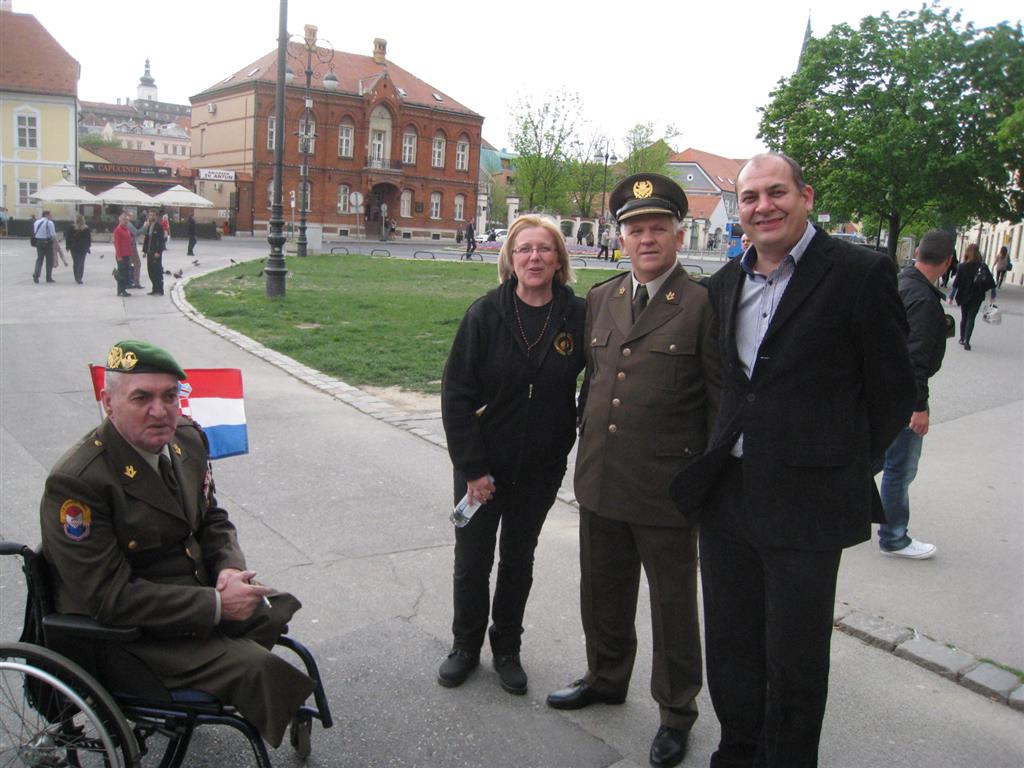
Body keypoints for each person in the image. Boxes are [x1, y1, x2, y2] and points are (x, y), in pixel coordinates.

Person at [674, 152, 914, 768]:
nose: (763, 207)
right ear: (739, 210)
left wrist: (838, 465)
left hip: (808, 501)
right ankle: (737, 750)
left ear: (805, 197)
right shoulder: (724, 283)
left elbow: (893, 392)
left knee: (795, 658)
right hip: (730, 493)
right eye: (750, 197)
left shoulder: (859, 274)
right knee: (731, 640)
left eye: (776, 192)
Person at [40, 340, 316, 748]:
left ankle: (229, 670)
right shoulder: (79, 482)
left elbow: (212, 519)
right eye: (142, 398)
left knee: (270, 607)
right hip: (130, 636)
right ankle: (242, 682)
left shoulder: (185, 440)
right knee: (259, 669)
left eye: (170, 396)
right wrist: (216, 605)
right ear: (109, 402)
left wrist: (228, 569)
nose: (160, 410)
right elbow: (109, 598)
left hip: (187, 598)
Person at [547, 174, 721, 768]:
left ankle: (676, 712)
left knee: (673, 607)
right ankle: (605, 676)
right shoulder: (603, 297)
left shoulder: (702, 304)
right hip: (601, 476)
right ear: (619, 237)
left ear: (678, 234)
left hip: (668, 488)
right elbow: (595, 381)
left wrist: (707, 480)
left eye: (657, 228)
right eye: (635, 229)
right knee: (602, 590)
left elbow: (720, 400)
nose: (646, 239)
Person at [439, 214, 585, 694]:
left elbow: (602, 378)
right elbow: (456, 395)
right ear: (511, 258)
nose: (534, 258)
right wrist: (473, 470)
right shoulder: (485, 314)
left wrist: (569, 430)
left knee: (518, 560)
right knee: (472, 561)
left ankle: (507, 648)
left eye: (545, 249)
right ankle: (464, 646)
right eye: (524, 249)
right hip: (482, 468)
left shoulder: (577, 316)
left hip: (540, 471)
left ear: (559, 258)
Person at [878, 230, 954, 560]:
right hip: (902, 397)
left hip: (881, 390)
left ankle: (827, 513)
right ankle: (894, 537)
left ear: (918, 252)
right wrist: (919, 407)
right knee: (899, 468)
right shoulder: (923, 299)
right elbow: (915, 360)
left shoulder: (901, 283)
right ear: (948, 261)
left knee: (873, 461)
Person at [948, 243, 995, 351]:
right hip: (977, 296)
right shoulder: (982, 266)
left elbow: (956, 283)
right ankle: (967, 340)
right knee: (971, 318)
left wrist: (951, 296)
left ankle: (962, 338)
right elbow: (991, 282)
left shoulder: (962, 267)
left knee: (964, 317)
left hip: (964, 295)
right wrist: (993, 295)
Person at [142, 209, 167, 295]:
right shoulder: (149, 226)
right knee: (151, 271)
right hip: (149, 252)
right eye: (150, 215)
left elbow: (160, 241)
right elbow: (147, 239)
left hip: (156, 253)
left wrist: (158, 252)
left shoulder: (159, 227)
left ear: (156, 216)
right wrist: (145, 251)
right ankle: (154, 289)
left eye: (153, 215)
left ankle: (160, 290)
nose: (151, 217)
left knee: (157, 271)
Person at [65, 214, 92, 285]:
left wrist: (67, 246)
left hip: (74, 247)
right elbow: (88, 238)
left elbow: (68, 237)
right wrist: (88, 246)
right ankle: (79, 277)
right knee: (81, 262)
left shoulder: (71, 227)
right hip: (83, 247)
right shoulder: (86, 228)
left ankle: (76, 276)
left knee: (76, 262)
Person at [32, 210, 57, 284]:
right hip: (47, 242)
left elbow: (34, 232)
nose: (51, 216)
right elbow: (53, 234)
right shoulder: (50, 223)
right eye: (50, 215)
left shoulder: (36, 222)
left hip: (38, 242)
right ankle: (48, 277)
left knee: (39, 259)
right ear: (46, 215)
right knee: (49, 260)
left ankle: (36, 275)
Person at [113, 212, 133, 297]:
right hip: (121, 255)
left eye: (127, 220)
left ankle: (123, 289)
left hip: (127, 254)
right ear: (120, 220)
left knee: (125, 273)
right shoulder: (118, 230)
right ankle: (121, 290)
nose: (126, 221)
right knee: (122, 273)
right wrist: (119, 255)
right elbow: (117, 244)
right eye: (124, 220)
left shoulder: (126, 229)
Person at [128, 211, 145, 290]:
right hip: (132, 246)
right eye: (131, 215)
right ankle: (136, 282)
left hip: (130, 246)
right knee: (137, 263)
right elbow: (136, 233)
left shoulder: (127, 224)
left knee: (129, 264)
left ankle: (129, 281)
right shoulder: (129, 224)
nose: (133, 216)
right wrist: (145, 227)